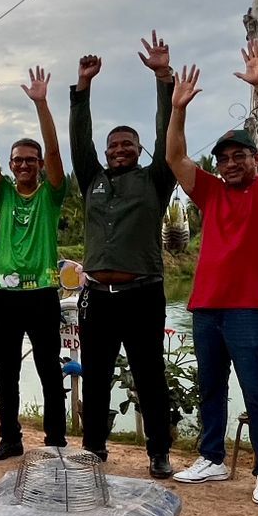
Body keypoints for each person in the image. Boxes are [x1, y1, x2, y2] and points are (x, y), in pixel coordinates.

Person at [165, 43, 258, 506]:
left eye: (240, 154)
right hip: (206, 306)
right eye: (224, 157)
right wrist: (177, 109)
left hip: (249, 309)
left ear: (255, 160)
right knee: (212, 387)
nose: (231, 162)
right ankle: (213, 459)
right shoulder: (212, 194)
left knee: (256, 388)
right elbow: (176, 158)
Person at [69, 32, 177, 478]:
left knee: (149, 375)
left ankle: (158, 451)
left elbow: (167, 134)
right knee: (94, 376)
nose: (117, 151)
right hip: (97, 296)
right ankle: (94, 448)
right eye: (113, 146)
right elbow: (80, 141)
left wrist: (163, 79)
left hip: (142, 293)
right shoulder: (92, 179)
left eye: (126, 145)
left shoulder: (155, 180)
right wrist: (83, 87)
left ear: (139, 151)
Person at [0, 67, 69, 462]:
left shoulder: (52, 194)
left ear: (40, 164)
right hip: (7, 298)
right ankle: (10, 438)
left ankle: (56, 441)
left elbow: (56, 151)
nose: (24, 165)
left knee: (49, 369)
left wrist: (42, 103)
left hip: (44, 294)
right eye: (19, 160)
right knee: (8, 371)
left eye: (31, 160)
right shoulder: (3, 195)